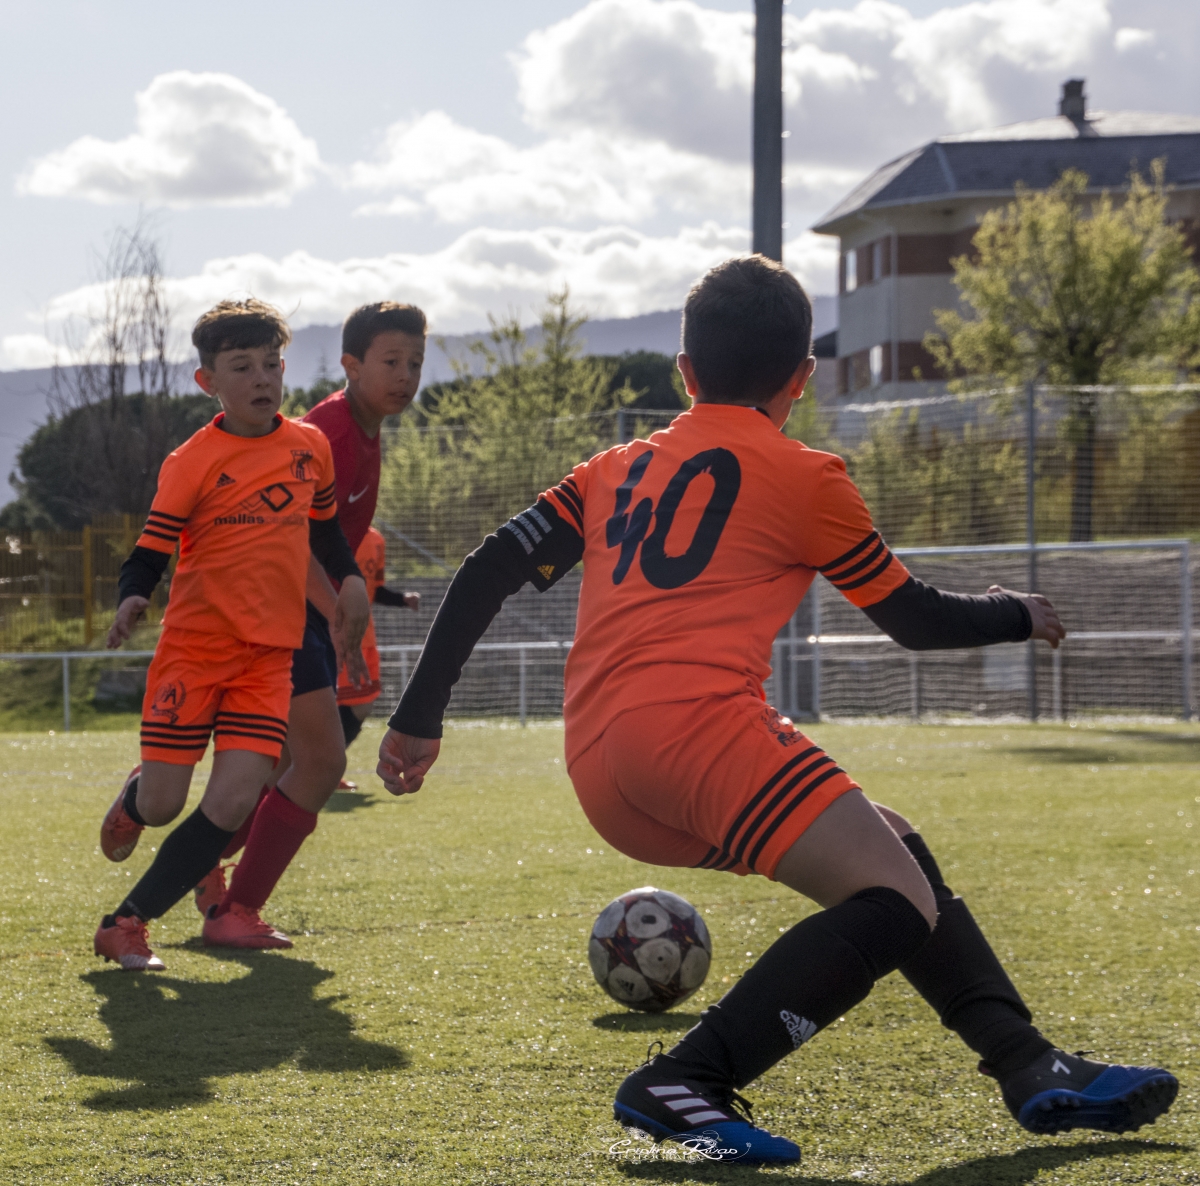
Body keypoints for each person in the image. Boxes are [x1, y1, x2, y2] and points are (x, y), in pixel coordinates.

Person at [374, 257, 1178, 1163]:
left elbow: (487, 568)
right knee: (894, 902)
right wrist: (1016, 613)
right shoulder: (806, 475)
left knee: (895, 846)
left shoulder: (611, 469)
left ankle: (1027, 1062)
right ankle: (691, 1078)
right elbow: (913, 619)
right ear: (803, 377)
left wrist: (419, 716)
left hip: (601, 765)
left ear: (685, 371)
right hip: (700, 736)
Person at [95, 298, 367, 971]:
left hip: (269, 659)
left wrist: (352, 581)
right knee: (165, 804)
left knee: (234, 799)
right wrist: (133, 598)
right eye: (242, 367)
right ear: (207, 381)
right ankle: (136, 798)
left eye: (271, 364)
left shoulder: (309, 447)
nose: (262, 379)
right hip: (195, 651)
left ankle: (125, 924)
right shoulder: (192, 461)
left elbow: (327, 533)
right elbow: (149, 552)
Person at [190, 302, 426, 944]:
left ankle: (200, 864)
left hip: (295, 613)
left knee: (284, 766)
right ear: (351, 365)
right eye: (391, 361)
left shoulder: (362, 428)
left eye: (415, 362)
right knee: (319, 763)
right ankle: (228, 904)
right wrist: (336, 618)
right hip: (282, 610)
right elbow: (288, 541)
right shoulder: (331, 434)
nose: (405, 375)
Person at [334, 526, 420, 788]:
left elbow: (373, 590)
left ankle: (325, 766)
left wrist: (402, 599)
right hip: (332, 634)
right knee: (322, 705)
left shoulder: (376, 540)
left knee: (361, 705)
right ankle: (317, 768)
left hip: (364, 638)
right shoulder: (332, 532)